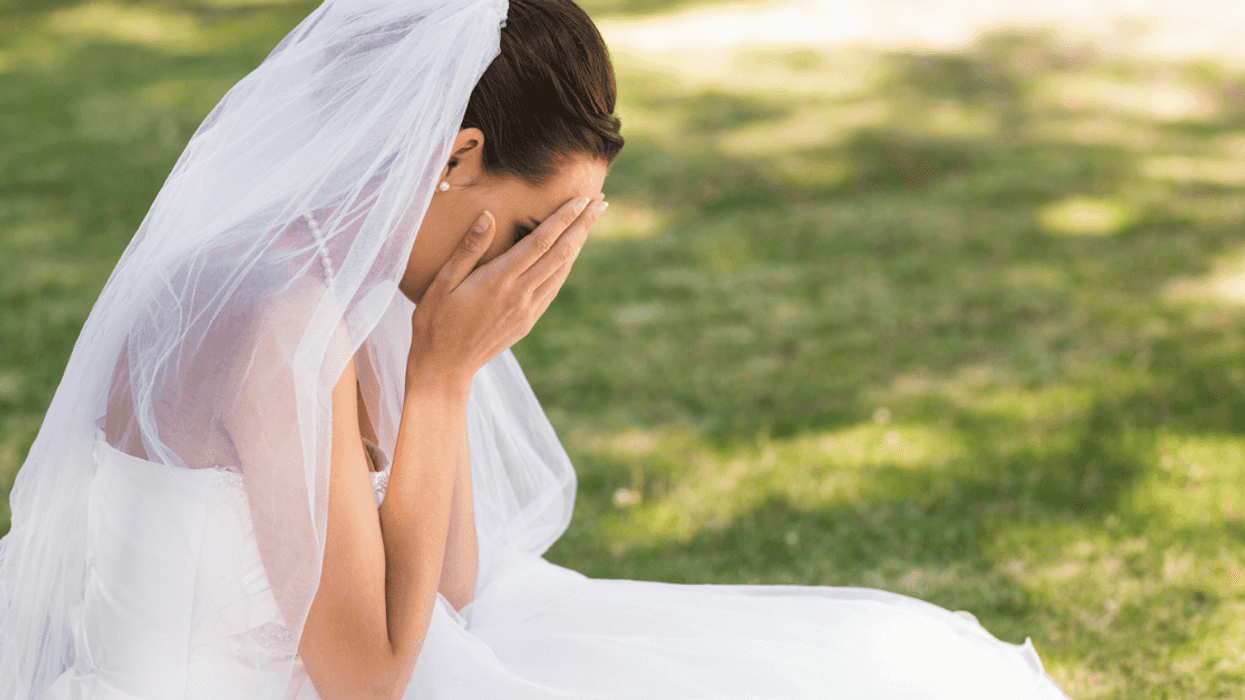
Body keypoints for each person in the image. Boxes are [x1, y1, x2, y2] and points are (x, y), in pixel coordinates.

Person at [0, 0, 1071, 697]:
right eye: (527, 230)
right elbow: (368, 678)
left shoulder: (347, 274)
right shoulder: (276, 311)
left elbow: (450, 588)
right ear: (458, 154)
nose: (523, 272)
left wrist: (442, 372)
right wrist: (438, 376)